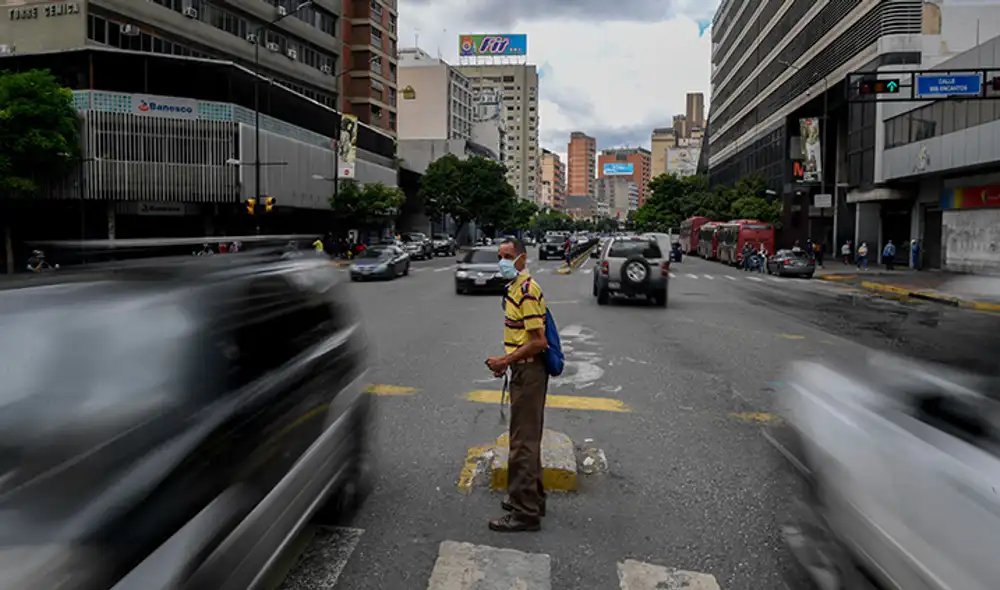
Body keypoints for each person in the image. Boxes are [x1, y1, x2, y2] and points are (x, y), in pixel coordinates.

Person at [486, 237, 549, 533]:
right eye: (500, 256)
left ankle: (525, 513)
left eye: (508, 256)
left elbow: (539, 342)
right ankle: (532, 498)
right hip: (523, 371)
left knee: (522, 444)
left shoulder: (526, 290)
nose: (503, 261)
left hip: (529, 373)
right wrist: (508, 362)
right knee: (526, 439)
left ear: (522, 258)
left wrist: (505, 360)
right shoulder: (514, 288)